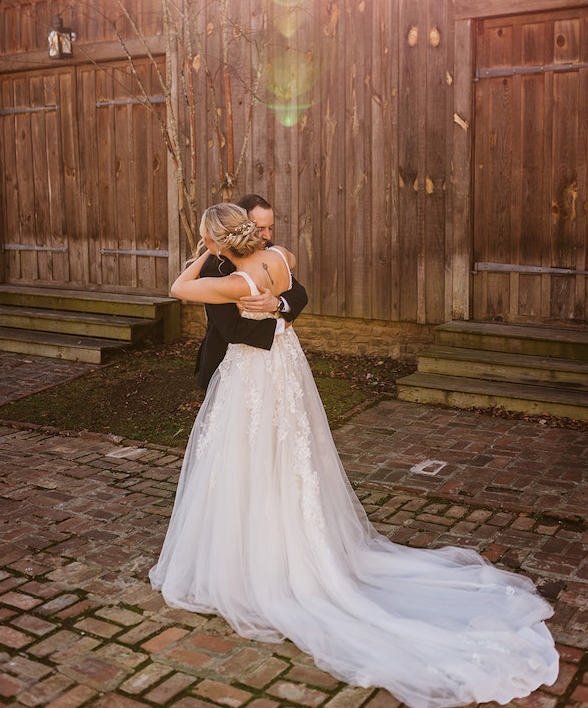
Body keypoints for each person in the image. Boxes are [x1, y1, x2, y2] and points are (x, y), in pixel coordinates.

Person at [150, 203, 558, 708]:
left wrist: (202, 254)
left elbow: (178, 289)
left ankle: (257, 557)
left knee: (244, 456)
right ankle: (285, 533)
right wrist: (270, 295)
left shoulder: (233, 282)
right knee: (286, 453)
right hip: (284, 370)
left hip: (250, 375)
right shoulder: (280, 255)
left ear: (219, 243)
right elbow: (288, 284)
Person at [194, 193, 307, 390]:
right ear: (238, 226)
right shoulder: (215, 267)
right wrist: (281, 325)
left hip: (270, 361)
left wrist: (278, 303)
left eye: (270, 228)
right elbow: (230, 328)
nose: (268, 236)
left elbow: (299, 293)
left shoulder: (269, 252)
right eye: (260, 228)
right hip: (227, 362)